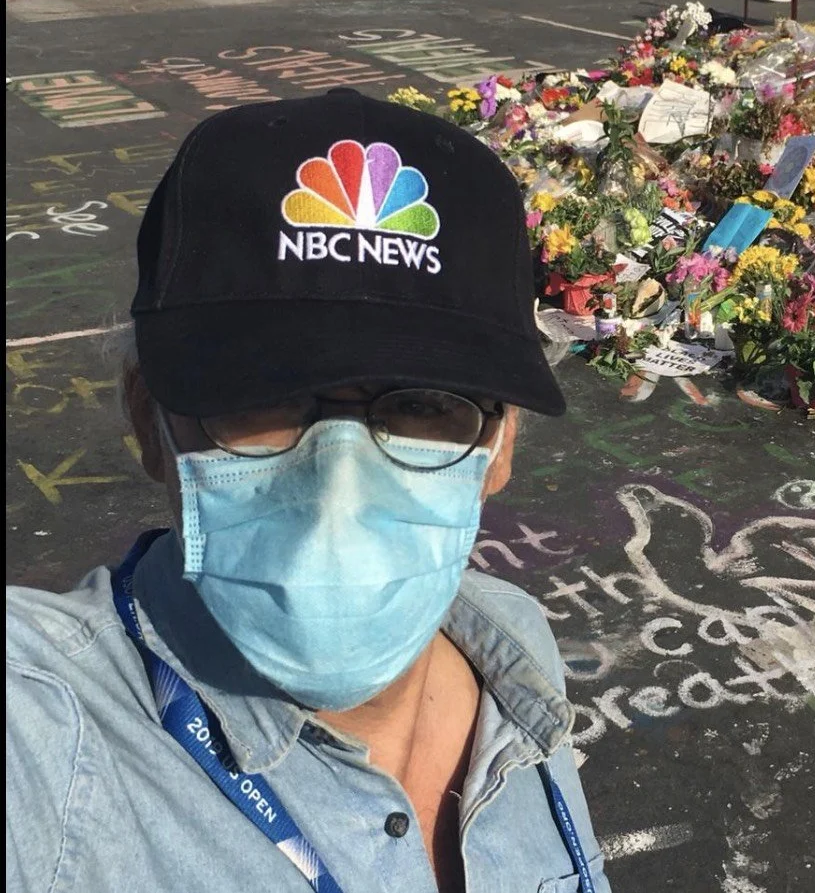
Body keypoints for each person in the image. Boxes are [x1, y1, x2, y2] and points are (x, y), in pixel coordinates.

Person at [6, 90, 610, 893]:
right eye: (265, 394)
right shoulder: (47, 738)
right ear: (151, 421)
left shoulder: (515, 647)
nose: (338, 491)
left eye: (425, 404)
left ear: (500, 447)